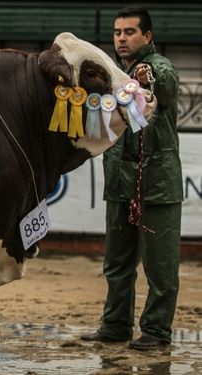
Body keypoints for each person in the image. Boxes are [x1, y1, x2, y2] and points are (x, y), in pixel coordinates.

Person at [81, 7, 182, 351]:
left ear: (147, 37)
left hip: (157, 182)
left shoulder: (156, 67)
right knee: (117, 263)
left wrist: (148, 75)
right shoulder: (113, 75)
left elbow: (165, 86)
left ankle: (156, 331)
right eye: (117, 32)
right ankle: (115, 326)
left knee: (161, 267)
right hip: (121, 182)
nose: (121, 38)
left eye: (129, 32)